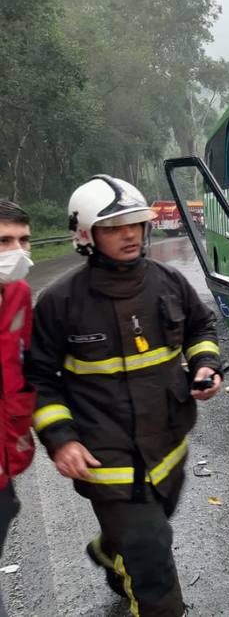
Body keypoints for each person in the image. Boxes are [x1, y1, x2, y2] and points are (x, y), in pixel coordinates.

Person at [27, 176, 222, 617]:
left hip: (168, 443)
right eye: (114, 226)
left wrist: (207, 365)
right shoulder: (61, 302)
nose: (130, 233)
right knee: (153, 560)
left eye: (134, 223)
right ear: (86, 234)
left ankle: (112, 550)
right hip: (104, 452)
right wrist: (61, 439)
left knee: (147, 531)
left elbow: (200, 329)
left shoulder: (169, 282)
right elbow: (38, 377)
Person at [0, 201, 37, 617]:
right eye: (4, 241)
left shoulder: (19, 293)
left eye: (23, 240)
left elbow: (26, 365)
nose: (17, 253)